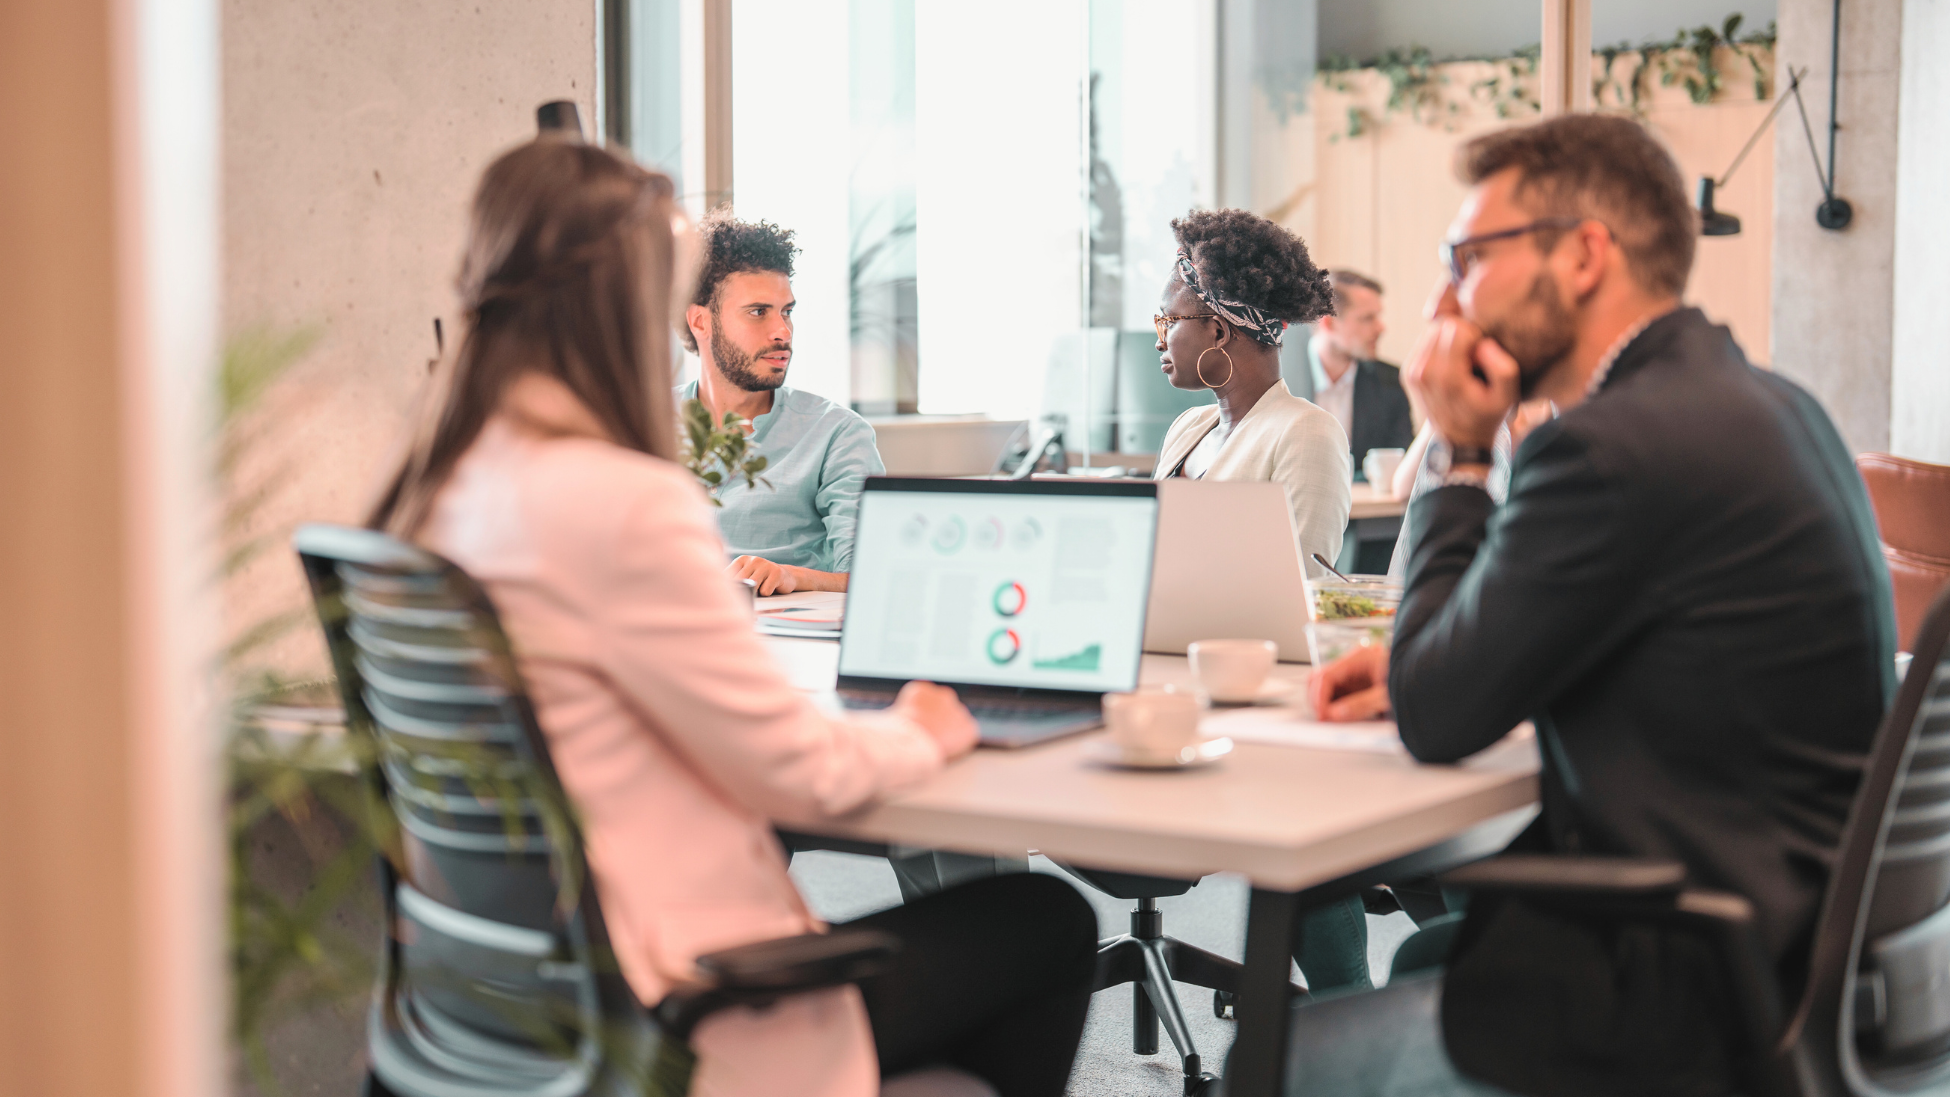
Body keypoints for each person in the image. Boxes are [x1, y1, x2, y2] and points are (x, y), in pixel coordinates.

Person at [369, 136, 1097, 1097]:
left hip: (494, 1004)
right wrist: (924, 724)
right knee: (1043, 920)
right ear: (647, 311)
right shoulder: (623, 496)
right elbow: (805, 772)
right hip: (673, 1005)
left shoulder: (433, 495)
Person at [1281, 114, 1895, 1096]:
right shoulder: (1764, 404)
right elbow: (1639, 645)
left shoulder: (1616, 444)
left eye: (1469, 257)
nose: (1448, 296)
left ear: (1583, 254)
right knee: (1428, 959)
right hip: (1817, 951)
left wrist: (1460, 451)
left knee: (1277, 1058)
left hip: (1691, 980)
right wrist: (1427, 663)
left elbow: (1443, 714)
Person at [678, 213, 882, 596]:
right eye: (758, 312)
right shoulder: (645, 423)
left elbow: (872, 578)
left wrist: (794, 576)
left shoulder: (837, 434)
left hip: (784, 642)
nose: (782, 332)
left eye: (786, 311)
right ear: (700, 322)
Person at [1154, 208, 1353, 573]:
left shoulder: (1307, 432)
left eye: (1168, 321)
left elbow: (1299, 587)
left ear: (1218, 332)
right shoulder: (1188, 427)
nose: (1159, 341)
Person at [1293, 270, 1416, 480]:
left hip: (1363, 509)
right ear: (1329, 323)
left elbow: (1401, 463)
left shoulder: (1391, 381)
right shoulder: (1277, 376)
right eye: (1367, 318)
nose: (1381, 328)